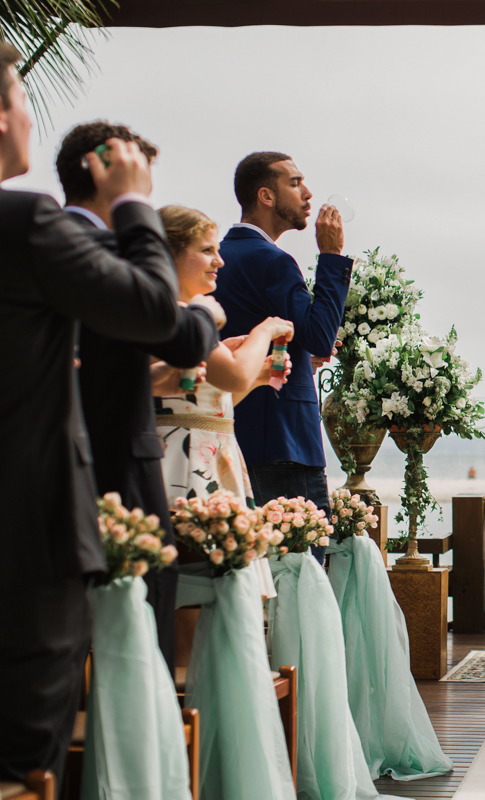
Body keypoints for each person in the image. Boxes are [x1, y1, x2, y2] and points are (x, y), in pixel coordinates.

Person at [0, 42, 180, 785]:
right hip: (26, 544)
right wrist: (136, 203)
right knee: (23, 763)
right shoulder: (25, 223)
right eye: (21, 99)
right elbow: (151, 307)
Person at [56, 121, 223, 674]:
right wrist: (204, 314)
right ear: (110, 170)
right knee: (140, 631)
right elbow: (173, 330)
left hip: (44, 471)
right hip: (119, 468)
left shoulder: (41, 239)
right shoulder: (107, 248)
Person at [211, 152, 352, 562]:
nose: (308, 194)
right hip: (286, 444)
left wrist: (299, 358)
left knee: (250, 572)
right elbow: (321, 336)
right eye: (295, 182)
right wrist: (331, 256)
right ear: (266, 196)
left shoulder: (217, 259)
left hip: (230, 437)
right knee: (301, 571)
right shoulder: (273, 261)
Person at [153, 205, 294, 598]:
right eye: (207, 250)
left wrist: (260, 377)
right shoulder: (177, 316)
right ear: (170, 253)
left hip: (209, 454)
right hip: (184, 465)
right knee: (196, 597)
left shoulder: (182, 315)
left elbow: (211, 402)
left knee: (215, 597)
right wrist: (264, 330)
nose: (220, 261)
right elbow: (231, 374)